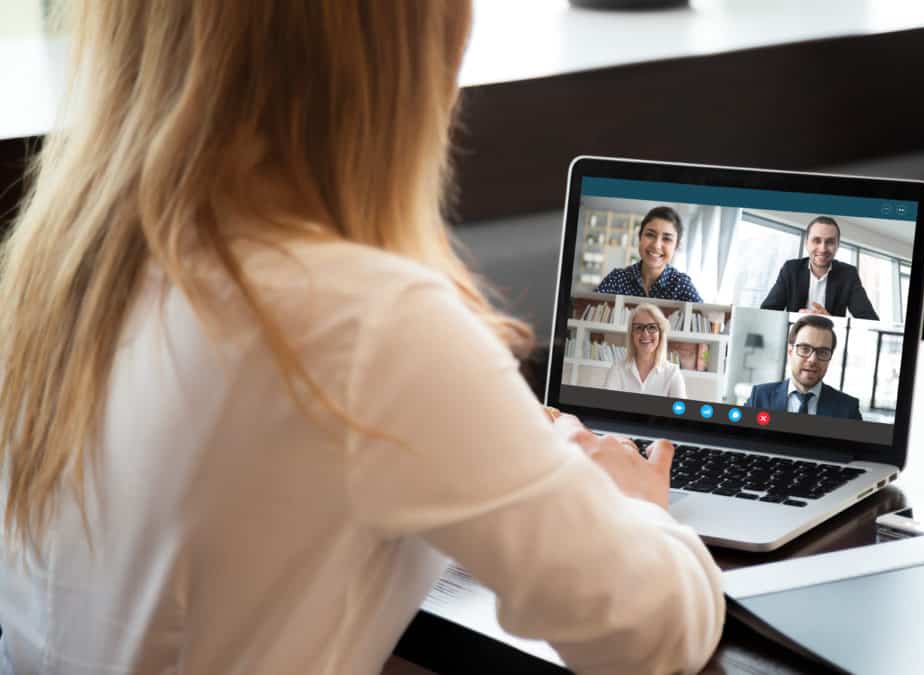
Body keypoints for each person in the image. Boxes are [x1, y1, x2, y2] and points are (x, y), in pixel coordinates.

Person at [0, 3, 724, 674]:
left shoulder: (62, 274)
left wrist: (497, 458)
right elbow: (646, 630)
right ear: (404, 54)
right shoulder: (368, 324)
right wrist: (630, 506)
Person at [759, 216, 879, 320]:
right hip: (794, 341)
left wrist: (831, 322)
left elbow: (870, 320)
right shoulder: (791, 269)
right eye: (816, 240)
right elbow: (767, 313)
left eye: (830, 242)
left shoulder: (848, 274)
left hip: (830, 342)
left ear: (837, 245)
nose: (823, 249)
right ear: (807, 242)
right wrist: (795, 319)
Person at [747, 316, 862, 420]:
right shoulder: (760, 396)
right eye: (805, 349)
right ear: (790, 351)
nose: (812, 360)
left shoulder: (848, 409)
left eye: (822, 352)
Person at [596, 205, 703, 302]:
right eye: (650, 235)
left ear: (676, 246)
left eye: (667, 239)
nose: (656, 245)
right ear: (640, 237)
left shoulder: (681, 285)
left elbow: (709, 320)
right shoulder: (617, 279)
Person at [603, 303, 688, 398]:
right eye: (639, 327)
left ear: (660, 334)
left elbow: (679, 411)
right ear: (632, 334)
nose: (645, 333)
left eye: (652, 327)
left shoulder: (673, 373)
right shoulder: (617, 370)